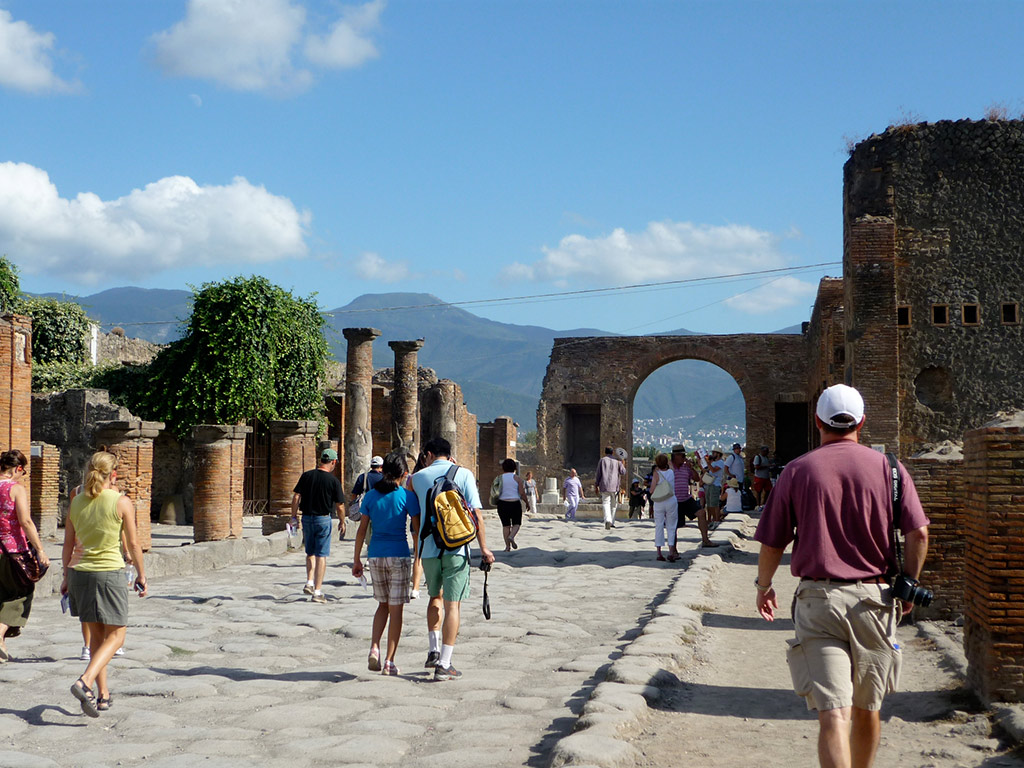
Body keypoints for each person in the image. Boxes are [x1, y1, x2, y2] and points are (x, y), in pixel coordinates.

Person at [754, 384, 930, 768]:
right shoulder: (891, 470)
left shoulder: (797, 471)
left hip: (818, 601)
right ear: (862, 422)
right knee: (868, 708)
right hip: (875, 600)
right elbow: (918, 533)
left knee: (833, 713)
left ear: (817, 421)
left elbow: (772, 542)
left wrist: (764, 586)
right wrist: (909, 584)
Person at [63, 451, 146, 717]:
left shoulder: (76, 501)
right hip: (108, 573)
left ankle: (103, 695)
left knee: (98, 638)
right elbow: (134, 543)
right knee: (117, 635)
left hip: (79, 574)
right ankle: (85, 681)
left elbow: (67, 544)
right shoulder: (121, 502)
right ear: (114, 475)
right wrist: (142, 575)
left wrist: (65, 577)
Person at [411, 437, 495, 681]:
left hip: (428, 549)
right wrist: (484, 548)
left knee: (434, 597)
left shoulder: (416, 478)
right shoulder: (464, 474)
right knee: (453, 605)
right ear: (449, 454)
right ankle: (445, 664)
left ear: (428, 454)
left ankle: (433, 650)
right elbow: (476, 514)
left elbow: (413, 511)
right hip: (457, 548)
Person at [351, 451, 420, 676]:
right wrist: (419, 557)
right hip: (398, 554)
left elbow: (362, 530)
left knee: (382, 604)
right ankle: (390, 661)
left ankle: (374, 647)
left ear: (383, 471)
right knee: (396, 610)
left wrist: (356, 560)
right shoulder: (407, 497)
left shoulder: (371, 496)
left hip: (375, 555)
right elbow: (417, 531)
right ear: (403, 474)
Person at [0, 449, 50, 663]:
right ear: (17, 469)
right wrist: (40, 549)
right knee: (22, 593)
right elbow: (26, 521)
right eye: (23, 472)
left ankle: (1, 645)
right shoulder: (15, 489)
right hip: (12, 551)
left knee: (1, 595)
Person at [291, 448, 346, 603]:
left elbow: (296, 496)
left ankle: (309, 582)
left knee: (310, 552)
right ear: (333, 462)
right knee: (321, 555)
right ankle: (317, 591)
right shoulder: (333, 481)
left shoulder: (307, 476)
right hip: (323, 519)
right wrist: (342, 521)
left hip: (307, 518)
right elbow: (340, 505)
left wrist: (293, 516)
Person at [647, 453, 678, 561]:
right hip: (671, 500)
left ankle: (659, 552)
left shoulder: (656, 474)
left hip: (659, 501)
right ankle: (671, 551)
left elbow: (651, 490)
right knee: (671, 526)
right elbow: (671, 466)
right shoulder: (671, 472)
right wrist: (668, 461)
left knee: (659, 525)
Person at [495, 458, 528, 552]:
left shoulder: (499, 478)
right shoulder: (517, 479)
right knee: (516, 524)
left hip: (502, 504)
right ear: (514, 468)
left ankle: (507, 547)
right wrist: (527, 503)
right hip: (514, 503)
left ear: (503, 468)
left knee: (506, 526)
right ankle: (512, 536)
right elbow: (522, 493)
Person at [670, 444, 700, 531]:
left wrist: (691, 468)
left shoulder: (686, 468)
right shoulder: (670, 468)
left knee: (701, 513)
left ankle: (705, 537)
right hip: (674, 500)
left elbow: (697, 478)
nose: (684, 458)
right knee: (676, 525)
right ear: (675, 456)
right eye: (682, 456)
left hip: (686, 499)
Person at [594, 446, 625, 530]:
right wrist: (623, 463)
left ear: (605, 452)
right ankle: (612, 522)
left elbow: (598, 474)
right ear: (612, 452)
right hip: (615, 486)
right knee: (614, 505)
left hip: (604, 485)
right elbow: (623, 472)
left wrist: (596, 485)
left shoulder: (602, 460)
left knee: (606, 503)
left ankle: (608, 519)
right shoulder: (618, 462)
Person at [752, 445, 773, 511]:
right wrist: (766, 466)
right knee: (759, 491)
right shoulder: (758, 457)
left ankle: (764, 504)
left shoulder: (766, 457)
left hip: (766, 477)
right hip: (759, 477)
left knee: (768, 490)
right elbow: (756, 467)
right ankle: (758, 505)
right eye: (765, 451)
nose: (766, 453)